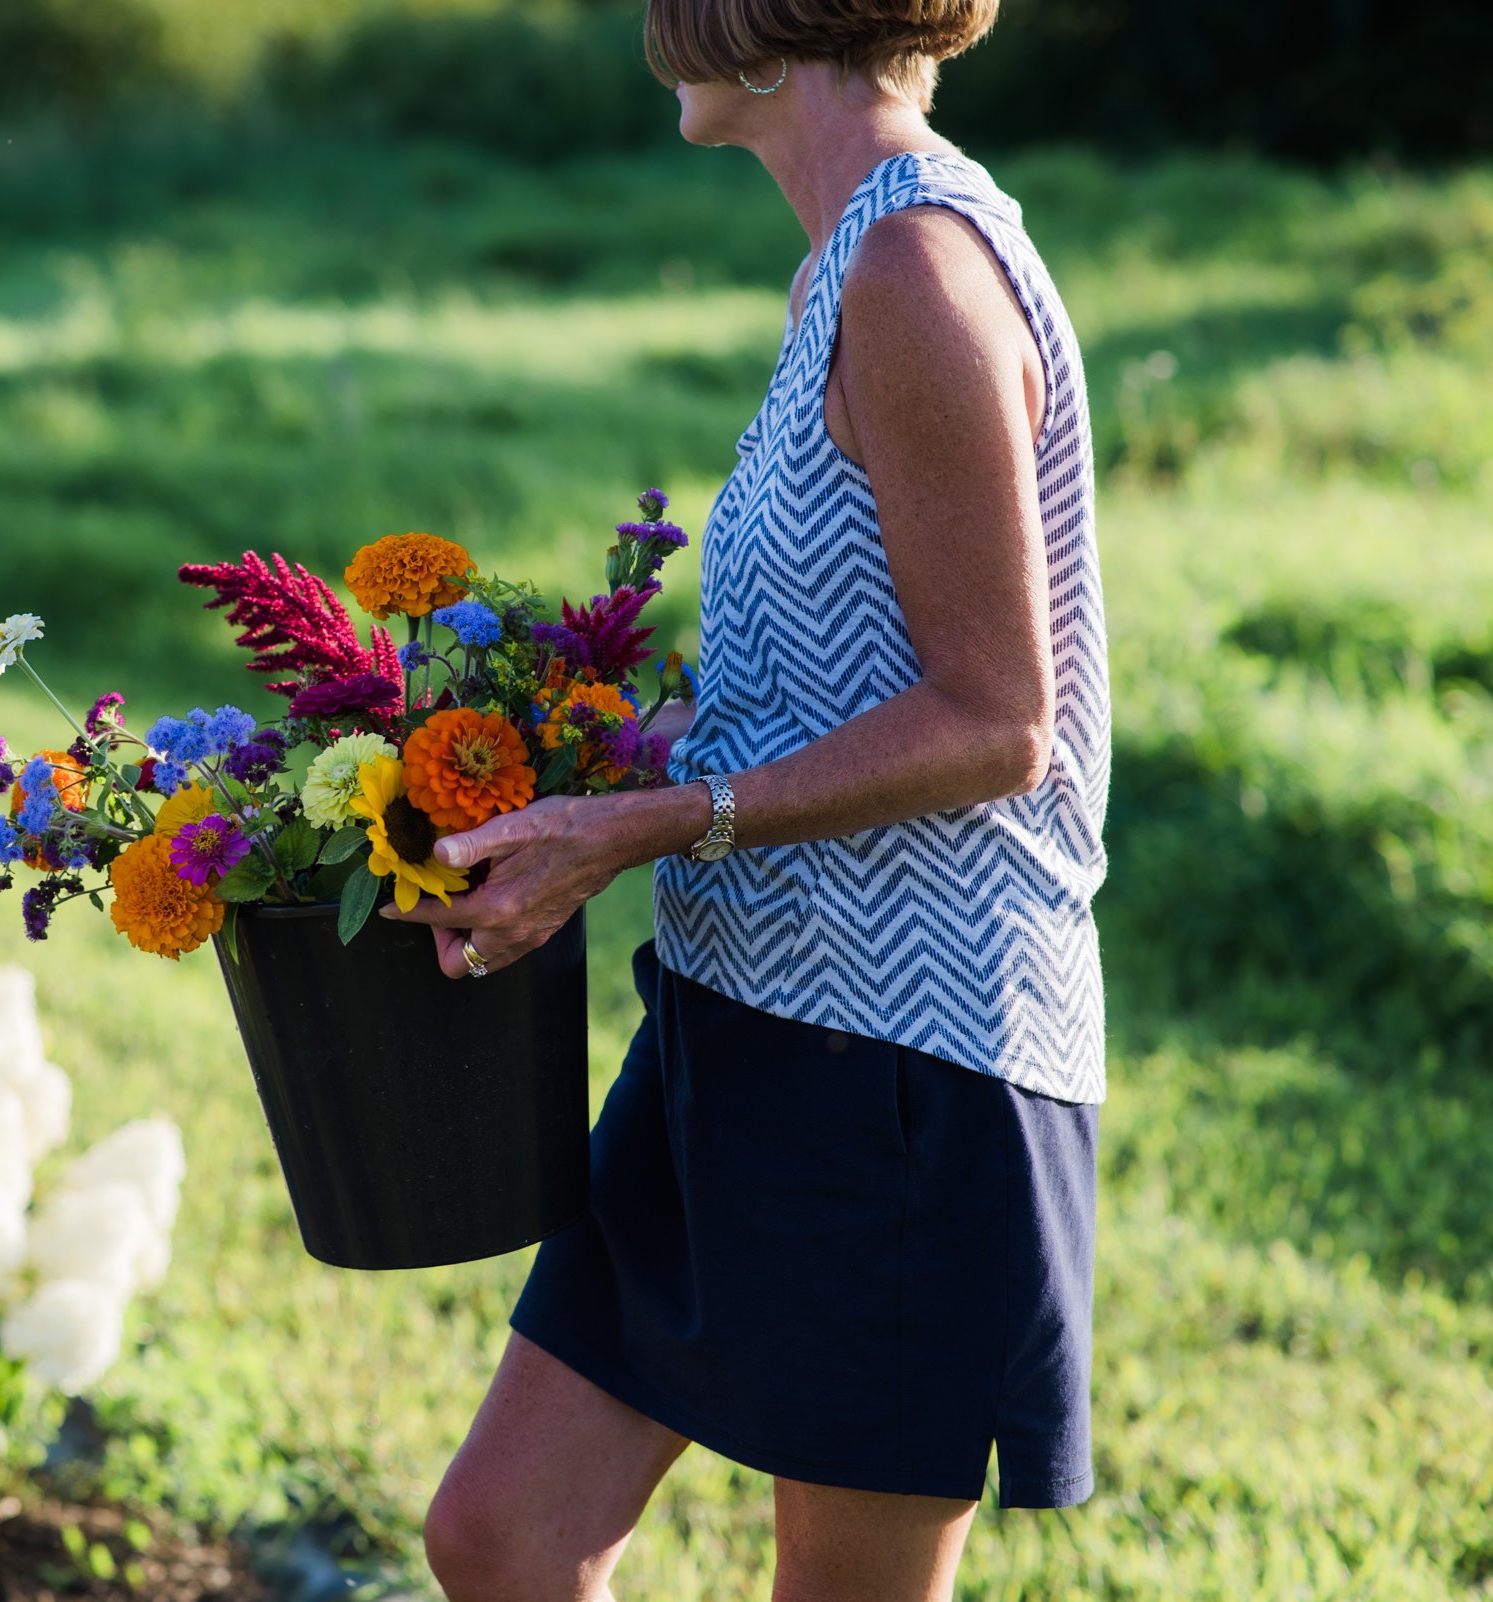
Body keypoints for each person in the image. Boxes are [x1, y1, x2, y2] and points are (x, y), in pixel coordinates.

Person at [385, 1, 1112, 1597]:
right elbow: (836, 671)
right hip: (740, 1018)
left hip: (908, 1069)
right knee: (503, 1533)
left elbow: (999, 721)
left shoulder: (920, 272)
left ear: (763, 26)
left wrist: (649, 824)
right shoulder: (843, 261)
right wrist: (575, 761)